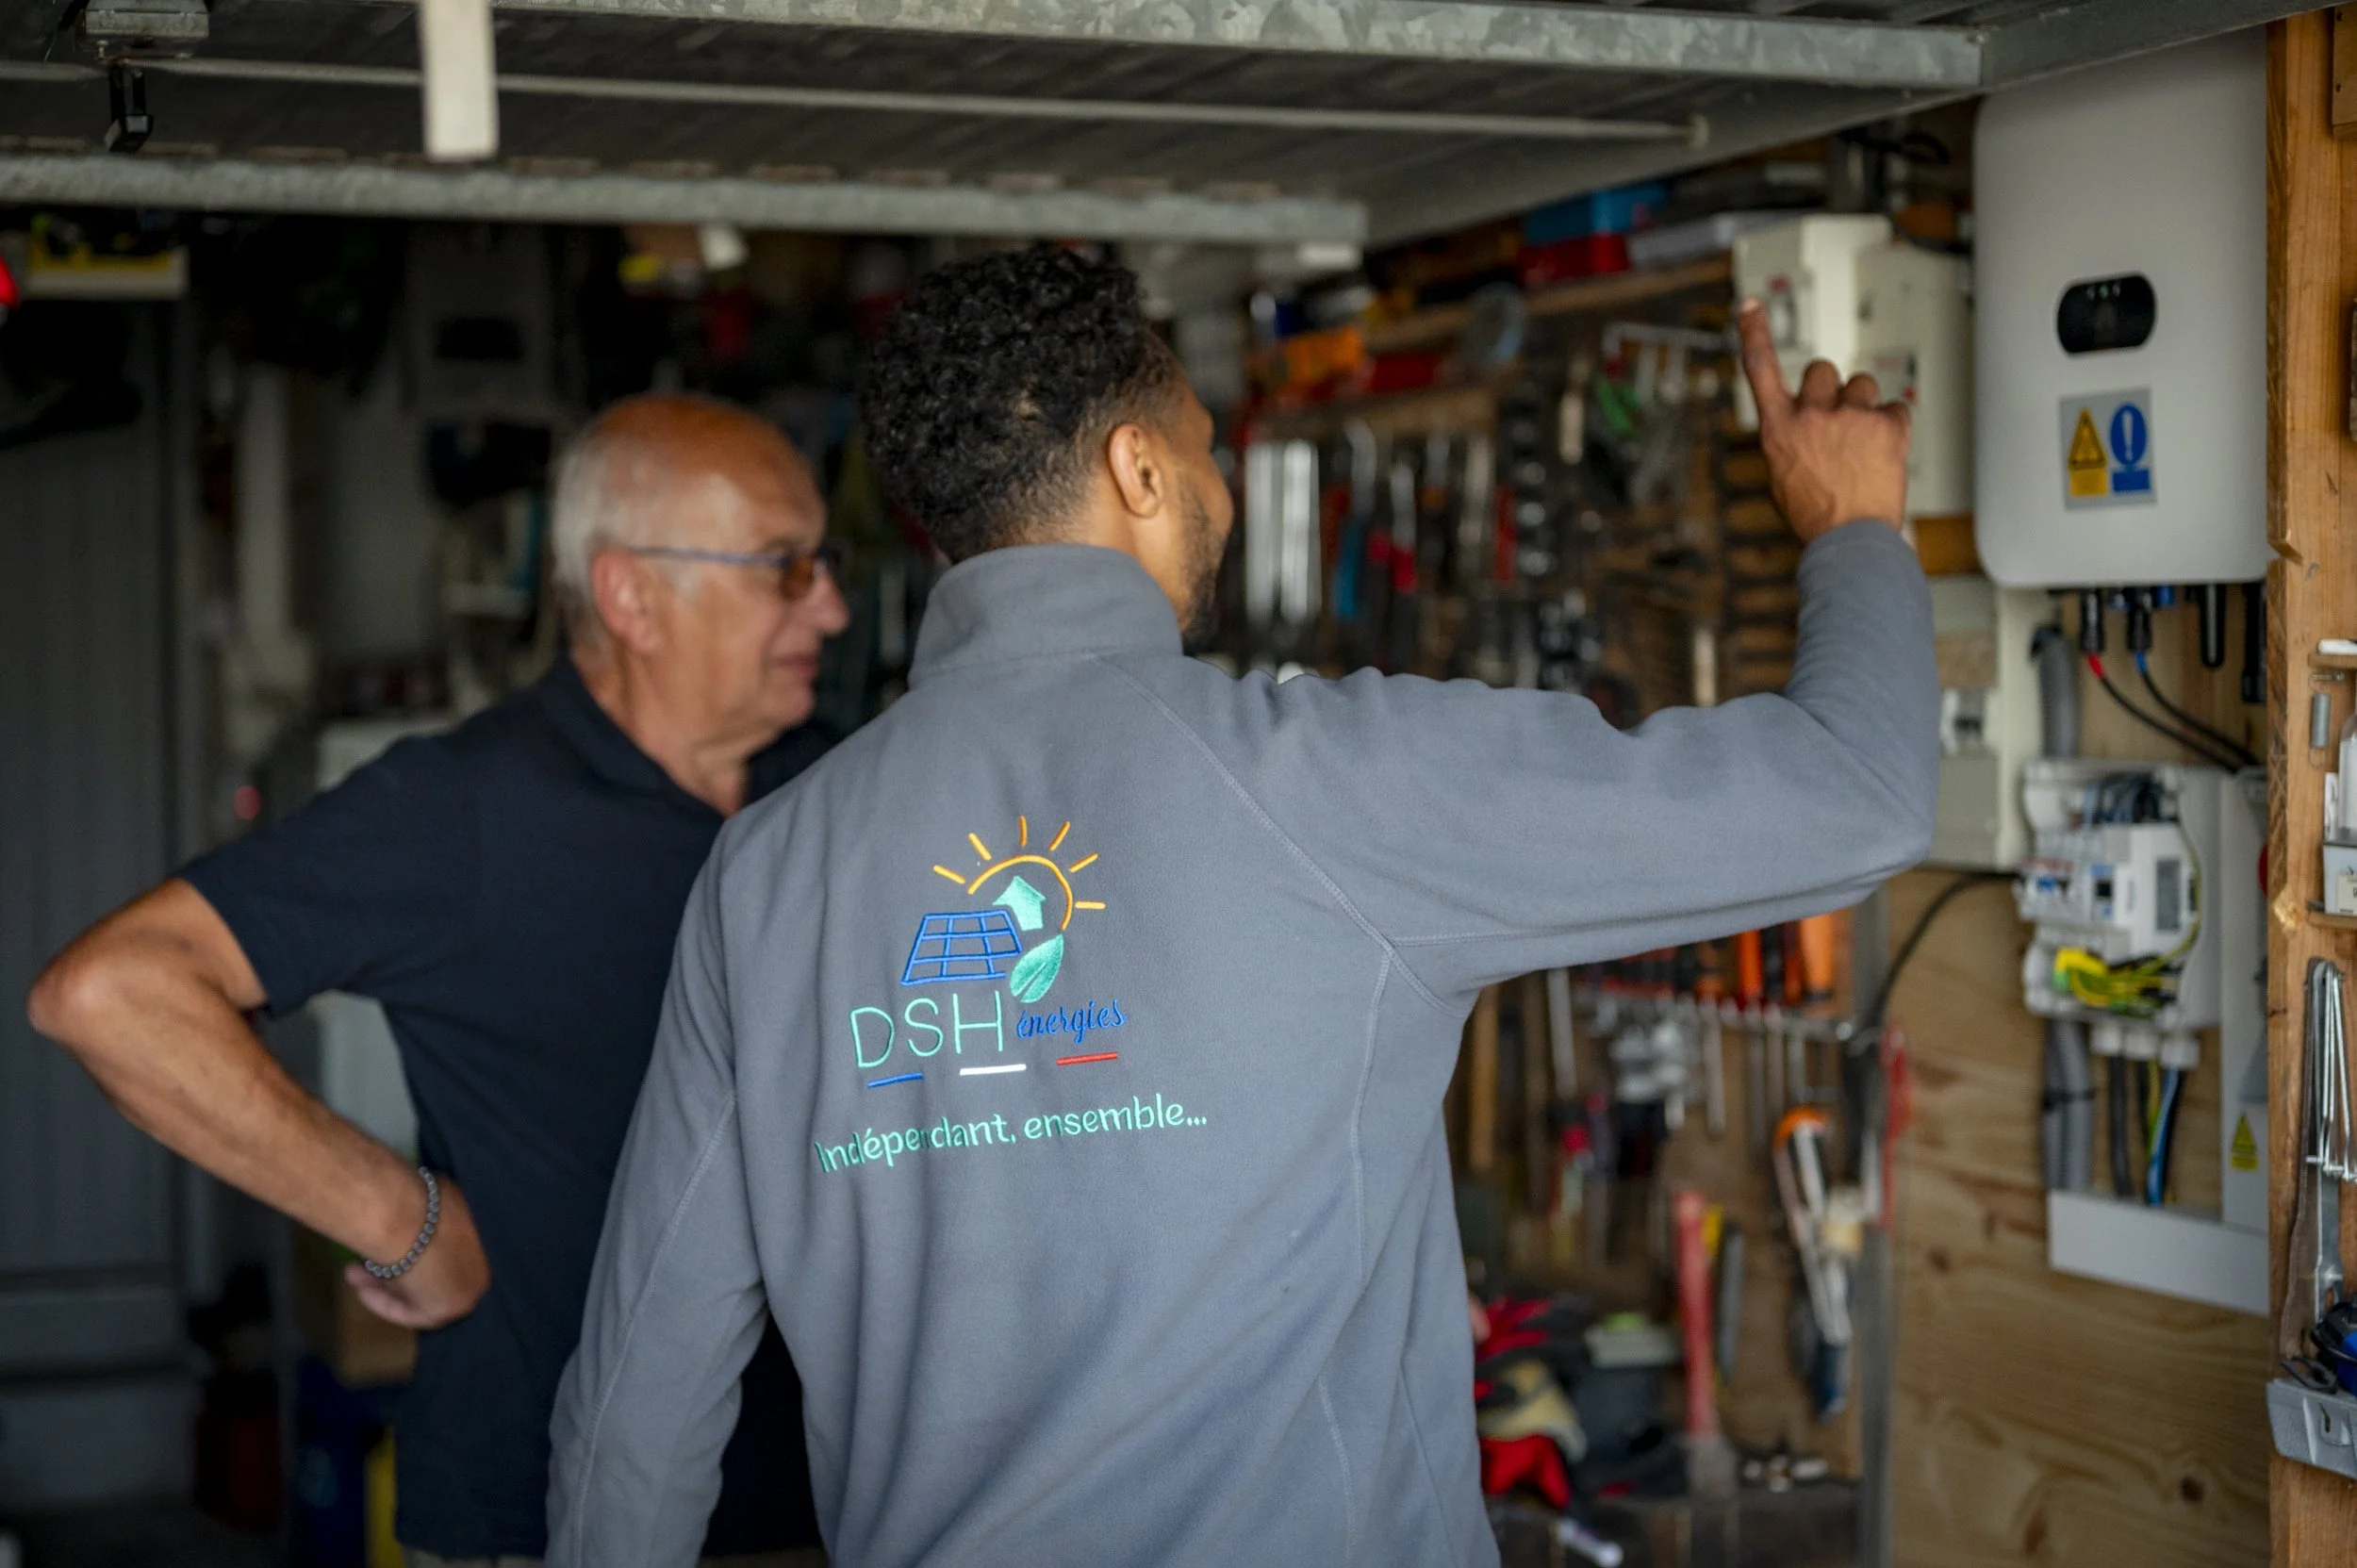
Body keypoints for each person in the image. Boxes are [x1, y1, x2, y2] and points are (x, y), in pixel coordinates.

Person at [546, 248, 1933, 1567]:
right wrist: (1855, 526)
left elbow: (636, 1400)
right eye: (1206, 448)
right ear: (1136, 467)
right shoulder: (1337, 780)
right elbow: (1858, 792)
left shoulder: (770, 866)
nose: (1217, 487)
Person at [28, 394, 850, 1566]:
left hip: (830, 1501)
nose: (830, 601)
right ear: (630, 596)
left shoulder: (835, 790)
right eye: (785, 565)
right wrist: (396, 1218)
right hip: (547, 1512)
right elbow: (113, 991)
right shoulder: (464, 812)